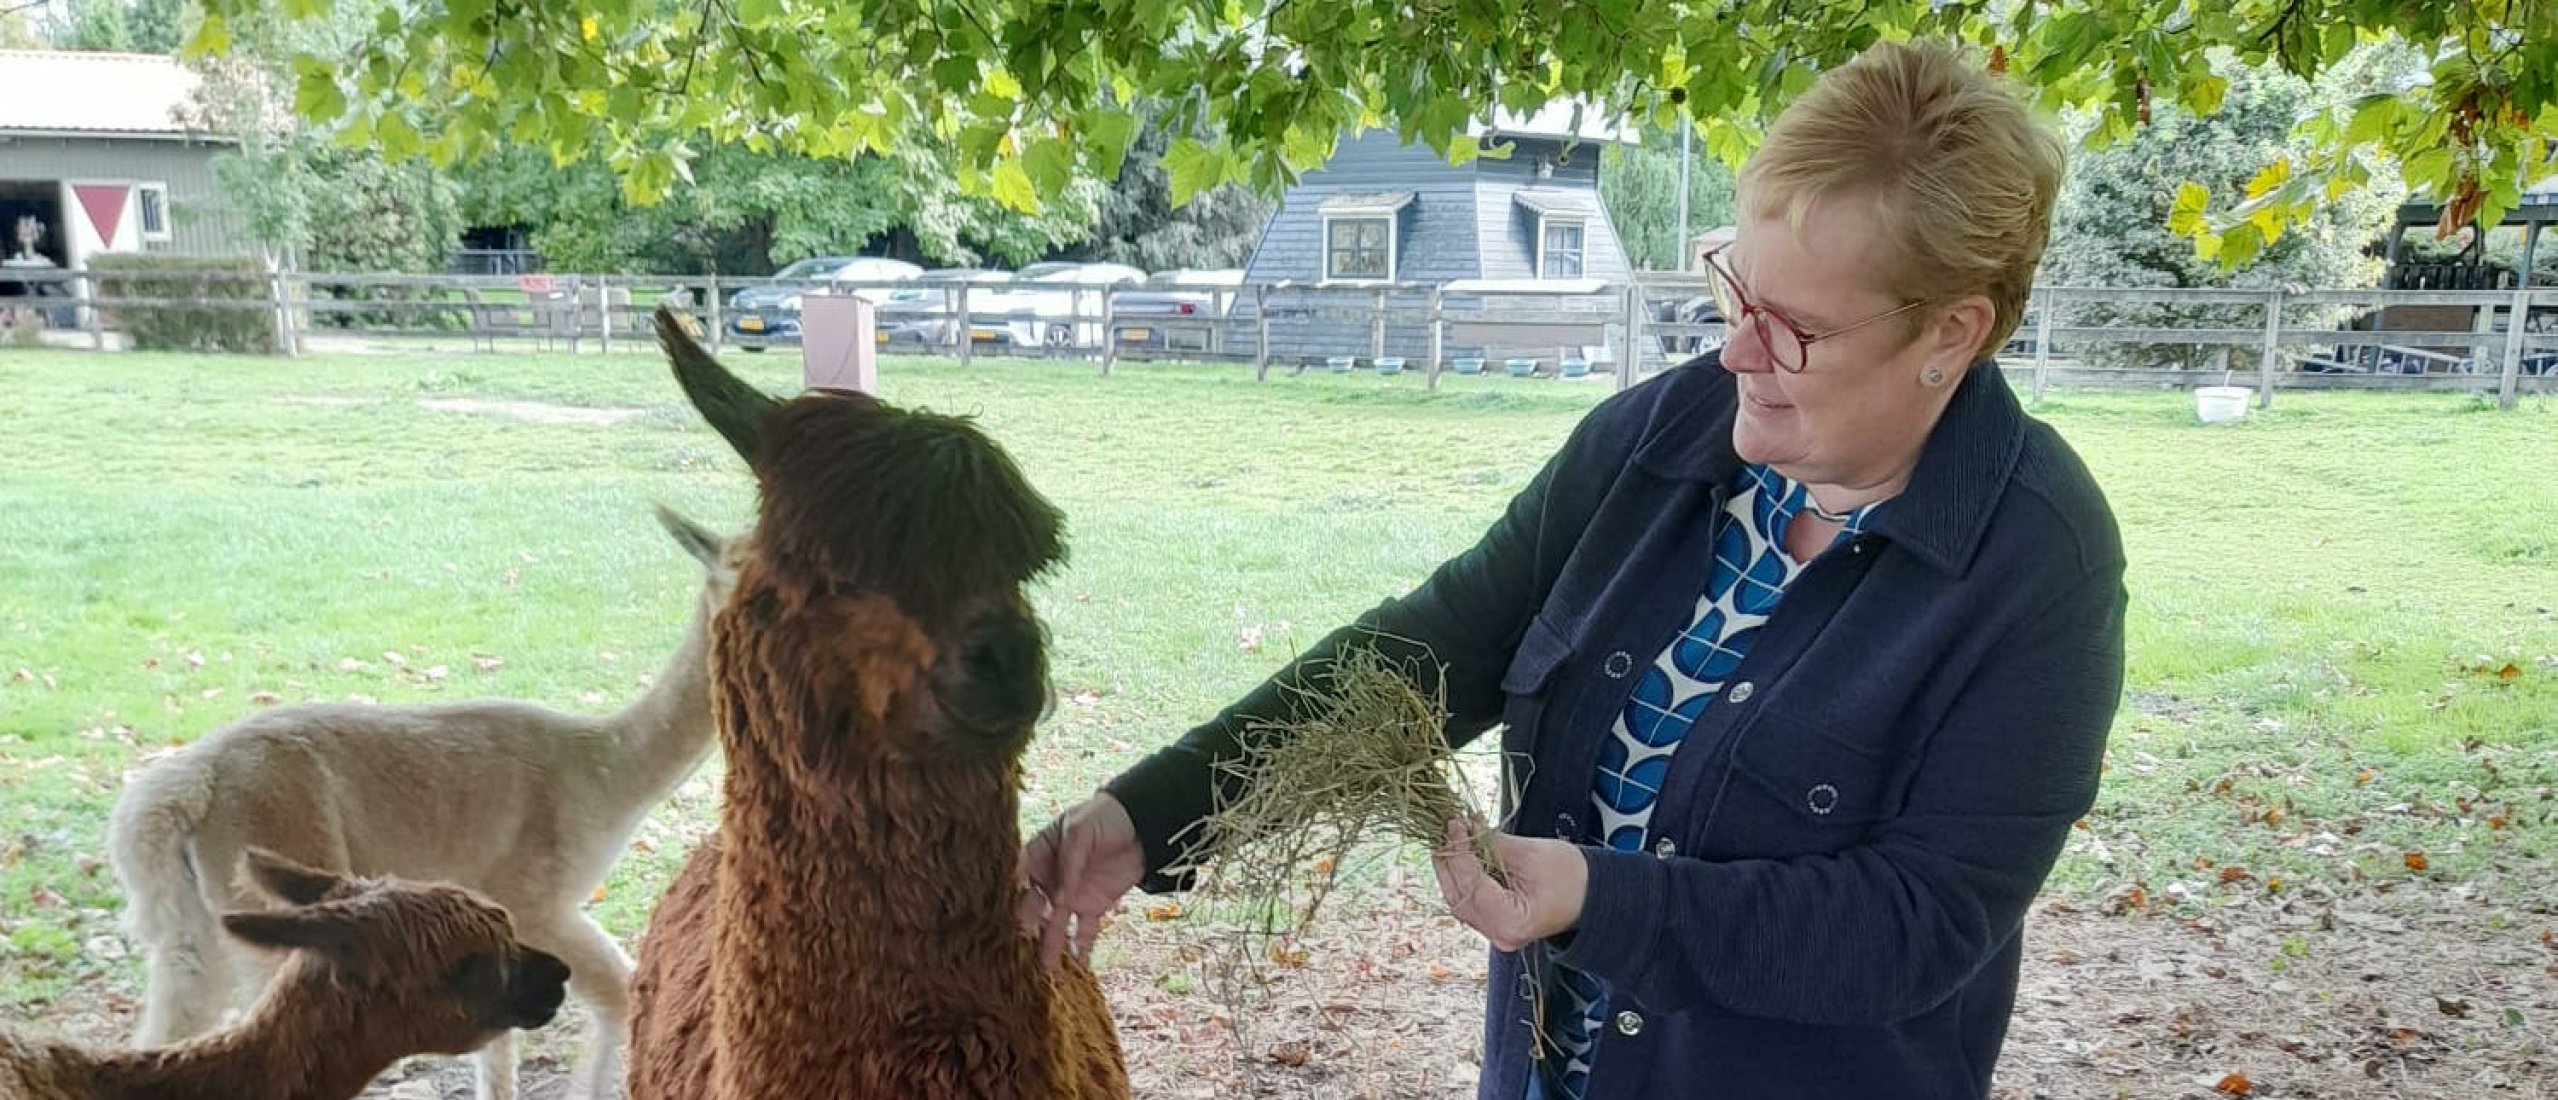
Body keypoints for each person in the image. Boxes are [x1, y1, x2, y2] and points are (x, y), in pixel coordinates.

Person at [1021, 38, 2126, 1100]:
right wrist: (1150, 813)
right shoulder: (1655, 440)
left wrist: (1602, 898)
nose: (1735, 349)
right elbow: (1426, 652)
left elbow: (1915, 923)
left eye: (1794, 328)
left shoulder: (2037, 563)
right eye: (1736, 291)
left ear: (1951, 332)